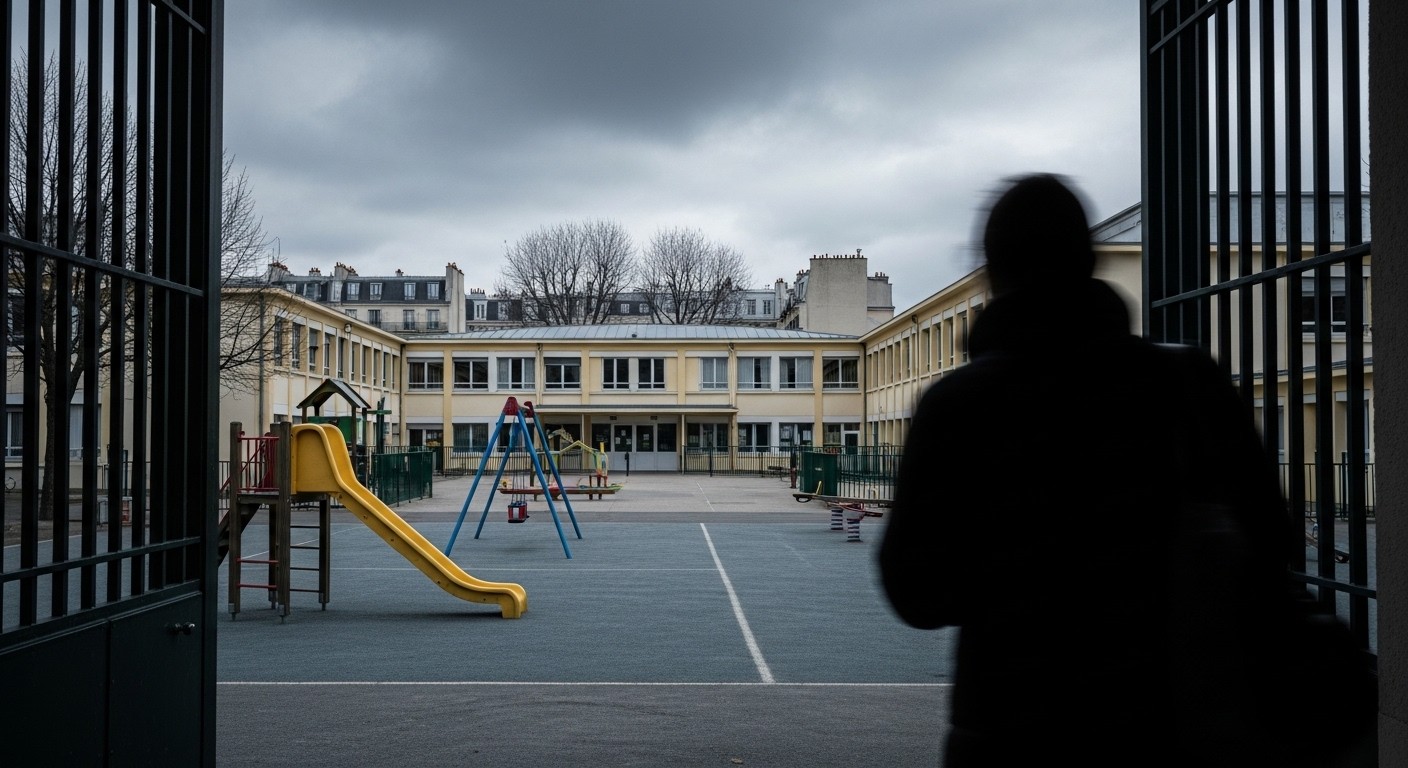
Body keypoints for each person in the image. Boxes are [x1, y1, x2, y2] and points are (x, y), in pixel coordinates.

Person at [877, 174, 1374, 766]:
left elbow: (918, 592)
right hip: (1167, 720)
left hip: (1012, 724)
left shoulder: (960, 405)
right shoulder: (1185, 383)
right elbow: (1271, 540)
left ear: (993, 271)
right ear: (1088, 261)